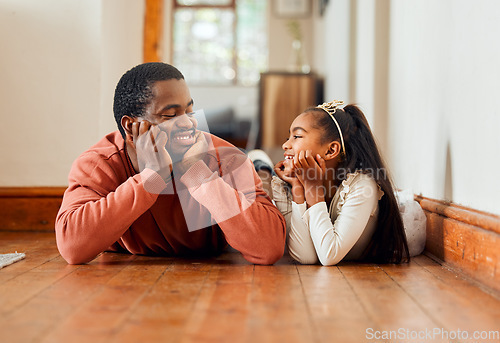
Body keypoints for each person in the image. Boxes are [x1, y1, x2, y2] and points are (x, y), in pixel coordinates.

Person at [55, 62, 286, 265]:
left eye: (189, 110)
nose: (188, 123)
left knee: (260, 171)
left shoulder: (228, 158)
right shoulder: (99, 163)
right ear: (130, 127)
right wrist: (151, 179)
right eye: (170, 115)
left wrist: (199, 175)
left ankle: (259, 160)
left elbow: (268, 248)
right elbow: (72, 248)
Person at [270, 100, 415, 266]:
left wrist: (313, 190)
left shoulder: (362, 186)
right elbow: (305, 257)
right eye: (288, 137)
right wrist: (297, 189)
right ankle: (258, 161)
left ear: (331, 150)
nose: (285, 144)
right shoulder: (287, 184)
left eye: (296, 136)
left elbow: (329, 256)